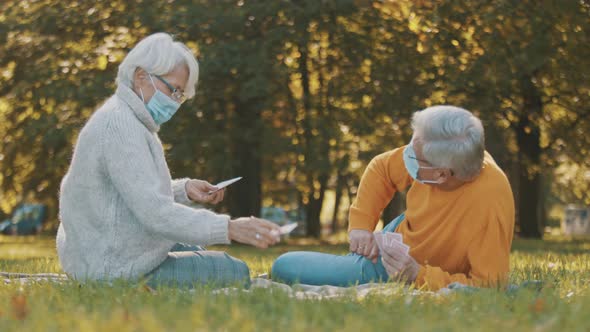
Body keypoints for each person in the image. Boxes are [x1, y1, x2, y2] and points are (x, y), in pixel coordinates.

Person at [56, 33, 280, 288]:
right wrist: (229, 227)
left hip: (97, 252)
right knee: (234, 270)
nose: (175, 102)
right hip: (110, 266)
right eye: (173, 90)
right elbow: (154, 213)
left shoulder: (125, 117)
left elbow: (125, 195)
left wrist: (184, 189)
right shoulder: (121, 126)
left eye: (180, 95)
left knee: (197, 248)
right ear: (141, 76)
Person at [272, 105, 515, 290]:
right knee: (344, 262)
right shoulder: (455, 156)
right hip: (400, 231)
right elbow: (381, 168)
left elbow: (490, 286)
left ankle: (352, 266)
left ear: (442, 174)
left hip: (397, 265)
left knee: (284, 266)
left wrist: (417, 275)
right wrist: (360, 226)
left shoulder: (489, 205)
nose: (406, 154)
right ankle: (352, 262)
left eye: (414, 155)